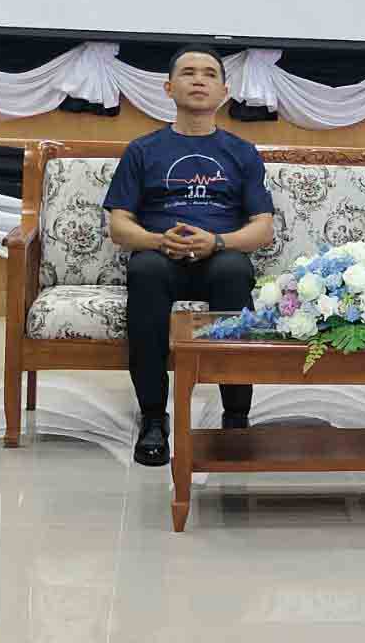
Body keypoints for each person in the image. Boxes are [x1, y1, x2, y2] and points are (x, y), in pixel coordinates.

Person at [103, 44, 275, 466]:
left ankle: (236, 418)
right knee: (144, 270)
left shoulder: (242, 152)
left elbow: (263, 227)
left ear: (224, 92)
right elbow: (119, 225)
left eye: (209, 74)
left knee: (234, 270)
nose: (199, 80)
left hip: (219, 256)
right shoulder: (143, 150)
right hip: (160, 256)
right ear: (168, 88)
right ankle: (153, 418)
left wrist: (218, 242)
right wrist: (158, 240)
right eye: (188, 73)